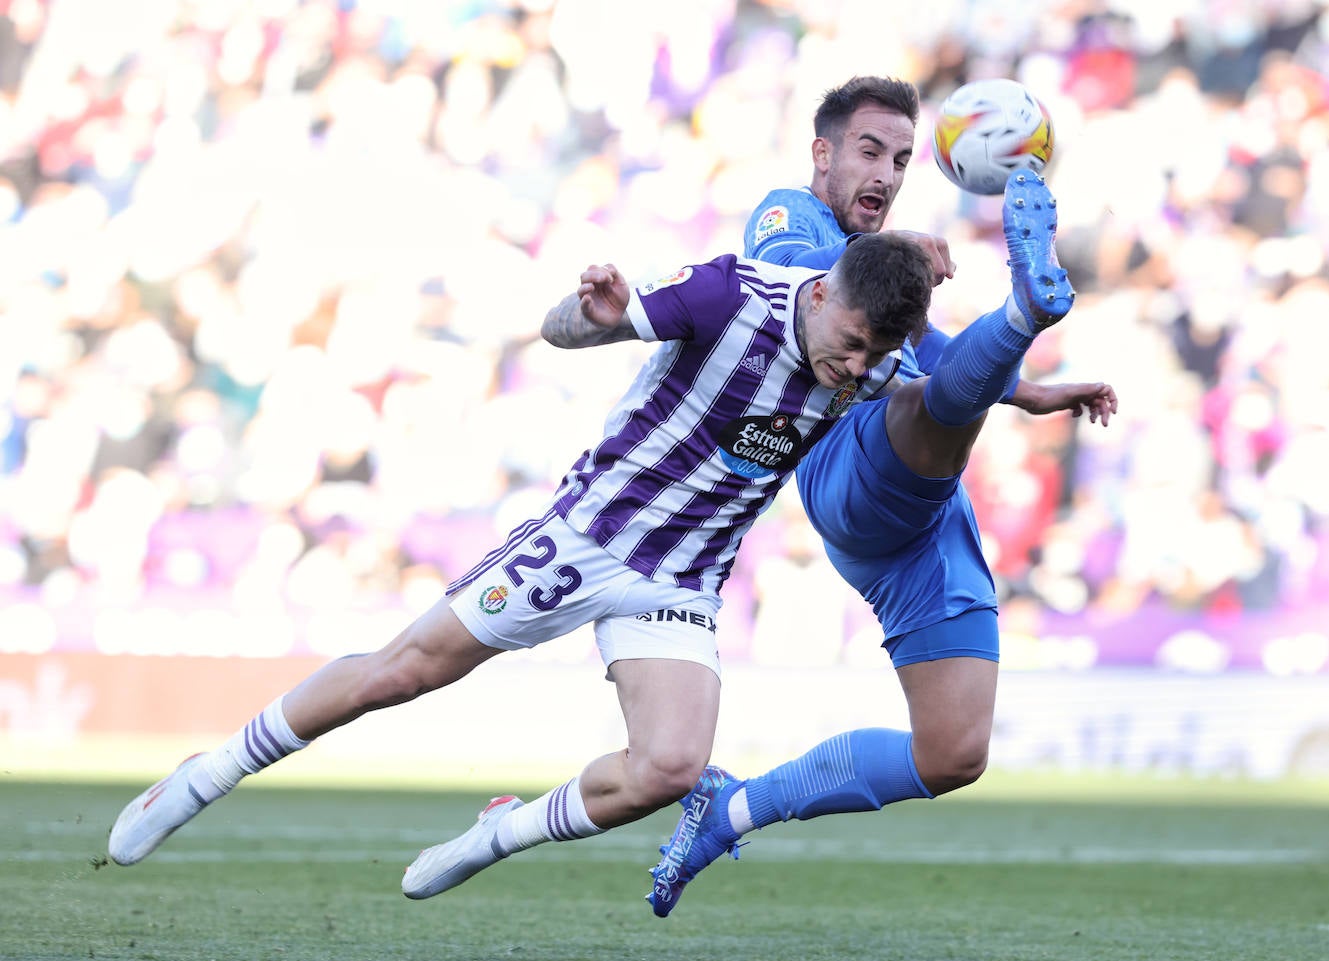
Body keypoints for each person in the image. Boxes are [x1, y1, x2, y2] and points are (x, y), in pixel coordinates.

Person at [106, 229, 936, 899]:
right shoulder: (729, 293)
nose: (856, 369)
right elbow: (567, 328)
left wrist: (1009, 364)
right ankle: (205, 775)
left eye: (873, 356)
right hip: (586, 538)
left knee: (670, 768)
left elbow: (948, 385)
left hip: (682, 581)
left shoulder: (874, 361)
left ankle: (497, 833)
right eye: (851, 345)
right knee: (402, 671)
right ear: (819, 294)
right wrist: (594, 316)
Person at [647, 77, 1117, 916]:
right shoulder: (788, 215)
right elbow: (809, 283)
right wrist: (904, 258)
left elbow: (935, 353)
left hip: (931, 522)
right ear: (822, 152)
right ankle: (1022, 312)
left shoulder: (887, 270)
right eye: (869, 151)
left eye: (901, 159)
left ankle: (731, 808)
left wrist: (1029, 392)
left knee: (954, 751)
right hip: (844, 469)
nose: (886, 173)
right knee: (918, 403)